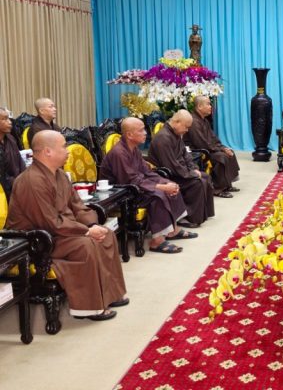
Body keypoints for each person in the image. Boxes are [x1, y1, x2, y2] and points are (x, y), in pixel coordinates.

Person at [7, 131, 127, 320]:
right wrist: (86, 232)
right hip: (38, 240)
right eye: (63, 146)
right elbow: (48, 221)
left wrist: (92, 225)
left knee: (106, 235)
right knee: (86, 245)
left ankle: (109, 295)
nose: (68, 151)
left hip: (62, 231)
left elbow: (77, 206)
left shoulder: (61, 175)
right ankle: (89, 307)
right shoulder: (31, 180)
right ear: (47, 151)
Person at [99, 117, 196, 254]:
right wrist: (161, 187)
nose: (145, 133)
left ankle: (173, 230)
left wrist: (165, 182)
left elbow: (147, 172)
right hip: (122, 193)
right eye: (141, 130)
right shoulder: (119, 153)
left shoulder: (133, 149)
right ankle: (157, 242)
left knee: (171, 186)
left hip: (136, 186)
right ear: (129, 134)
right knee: (158, 195)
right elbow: (131, 180)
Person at [148, 109, 215, 225]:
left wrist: (193, 168)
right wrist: (191, 174)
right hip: (168, 175)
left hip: (180, 170)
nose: (187, 130)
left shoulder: (175, 133)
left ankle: (204, 213)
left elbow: (185, 154)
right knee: (197, 182)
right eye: (186, 127)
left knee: (206, 177)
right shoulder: (163, 138)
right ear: (177, 122)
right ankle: (187, 216)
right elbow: (170, 165)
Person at [184, 96, 240, 199]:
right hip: (198, 151)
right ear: (199, 106)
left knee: (229, 152)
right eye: (208, 104)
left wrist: (223, 147)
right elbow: (201, 143)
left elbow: (213, 138)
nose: (211, 106)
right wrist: (220, 149)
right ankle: (218, 189)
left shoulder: (204, 120)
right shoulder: (194, 121)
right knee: (221, 157)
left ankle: (227, 184)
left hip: (209, 148)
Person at [0, 107, 25, 200]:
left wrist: (24, 177)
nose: (10, 122)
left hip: (18, 186)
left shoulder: (11, 138)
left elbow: (19, 160)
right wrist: (14, 182)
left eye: (9, 118)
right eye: (4, 119)